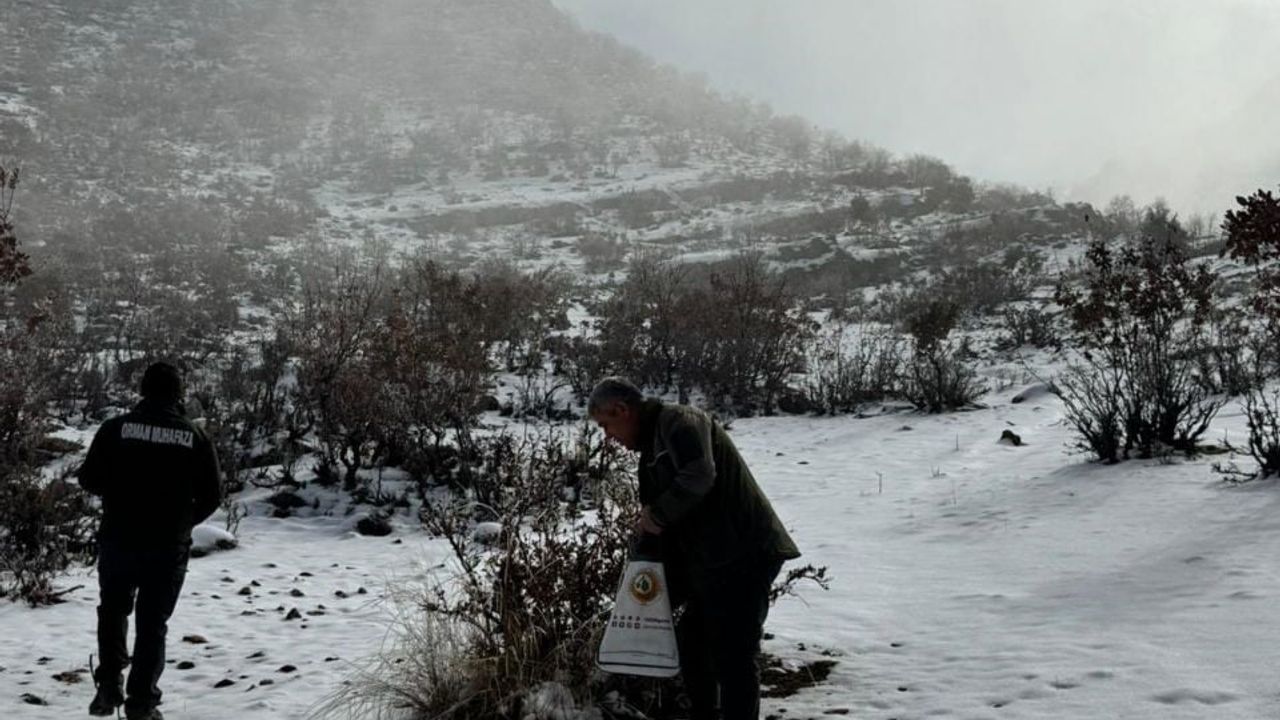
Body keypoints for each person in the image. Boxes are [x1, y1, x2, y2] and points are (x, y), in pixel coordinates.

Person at [588, 377, 800, 720]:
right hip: (713, 561)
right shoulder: (650, 451)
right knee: (694, 645)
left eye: (606, 425)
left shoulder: (680, 420)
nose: (607, 437)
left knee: (734, 655)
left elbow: (700, 474)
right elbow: (666, 526)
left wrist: (656, 515)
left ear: (622, 410)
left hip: (745, 552)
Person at [78, 361, 222, 720]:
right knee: (152, 623)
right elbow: (213, 495)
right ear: (178, 394)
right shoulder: (193, 436)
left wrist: (118, 498)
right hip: (166, 546)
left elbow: (88, 478)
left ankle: (109, 685)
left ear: (142, 390)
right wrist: (183, 523)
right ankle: (142, 703)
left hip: (119, 538)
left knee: (112, 611)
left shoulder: (115, 429)